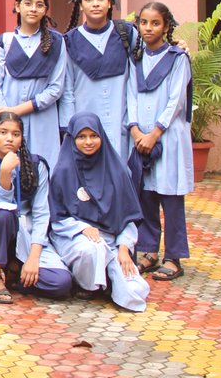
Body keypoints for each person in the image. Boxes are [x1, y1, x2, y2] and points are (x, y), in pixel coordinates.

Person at [0, 112, 73, 304]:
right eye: (3, 132)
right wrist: (5, 173)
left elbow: (41, 213)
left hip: (27, 232)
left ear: (22, 138)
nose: (9, 138)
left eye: (16, 134)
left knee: (61, 283)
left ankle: (16, 272)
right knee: (4, 212)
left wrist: (33, 257)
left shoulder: (36, 164)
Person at [49, 113, 150, 312]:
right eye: (81, 137)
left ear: (102, 136)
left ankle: (108, 280)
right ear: (72, 138)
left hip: (112, 239)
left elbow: (128, 216)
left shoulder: (118, 170)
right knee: (90, 250)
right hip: (74, 237)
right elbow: (56, 217)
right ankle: (87, 285)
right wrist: (82, 227)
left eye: (93, 136)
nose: (88, 142)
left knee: (135, 292)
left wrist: (124, 248)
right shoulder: (63, 170)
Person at [127, 2, 193, 283]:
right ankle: (149, 250)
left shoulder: (178, 58)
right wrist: (134, 130)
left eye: (155, 23)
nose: (148, 28)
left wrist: (154, 133)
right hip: (140, 136)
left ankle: (174, 257)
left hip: (167, 136)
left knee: (171, 195)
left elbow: (176, 101)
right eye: (143, 22)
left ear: (166, 26)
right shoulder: (136, 58)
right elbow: (129, 94)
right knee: (147, 195)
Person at [0, 0, 67, 172]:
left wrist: (17, 110)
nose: (33, 9)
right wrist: (5, 117)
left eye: (39, 5)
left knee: (43, 170)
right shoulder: (4, 42)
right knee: (7, 171)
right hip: (6, 119)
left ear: (46, 10)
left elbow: (56, 88)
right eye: (28, 3)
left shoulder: (57, 42)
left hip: (42, 118)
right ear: (17, 6)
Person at [60, 0, 135, 159]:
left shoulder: (127, 34)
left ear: (110, 3)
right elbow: (67, 89)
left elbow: (147, 62)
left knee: (121, 174)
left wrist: (178, 45)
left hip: (120, 121)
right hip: (85, 127)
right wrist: (71, 127)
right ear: (80, 5)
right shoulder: (70, 41)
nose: (95, 3)